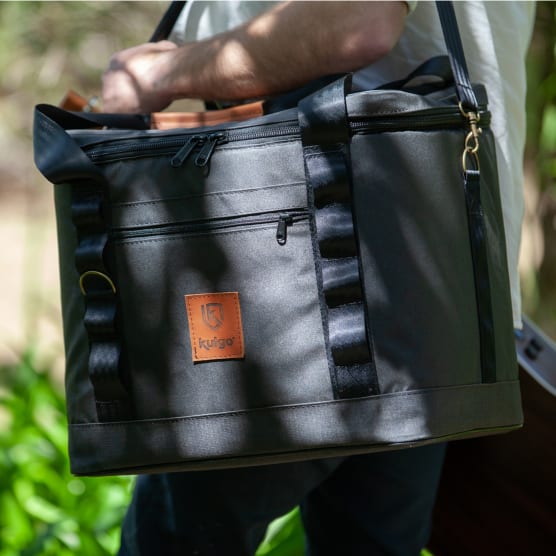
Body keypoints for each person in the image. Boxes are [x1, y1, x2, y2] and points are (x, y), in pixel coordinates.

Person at [102, 2, 535, 555]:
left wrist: (159, 74)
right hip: (435, 279)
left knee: (177, 539)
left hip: (309, 263)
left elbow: (358, 19)